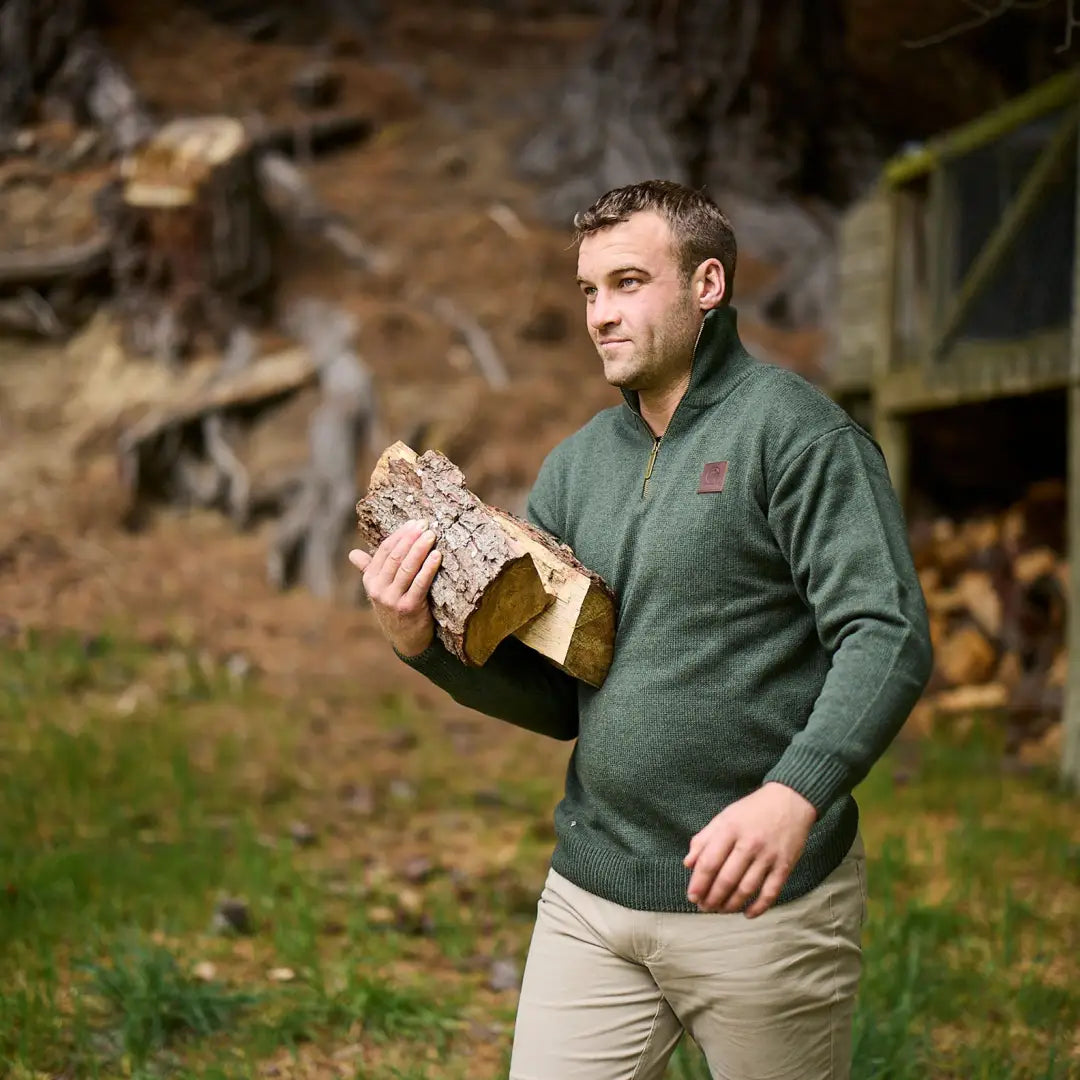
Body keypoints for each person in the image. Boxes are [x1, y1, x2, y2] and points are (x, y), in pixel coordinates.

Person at [349, 180, 933, 1080]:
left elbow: (886, 631)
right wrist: (420, 644)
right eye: (589, 290)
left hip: (761, 905)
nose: (601, 315)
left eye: (628, 283)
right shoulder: (577, 467)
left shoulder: (798, 436)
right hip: (594, 894)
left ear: (707, 286)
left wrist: (795, 795)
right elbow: (556, 697)